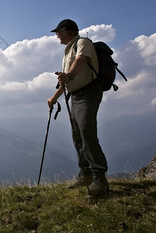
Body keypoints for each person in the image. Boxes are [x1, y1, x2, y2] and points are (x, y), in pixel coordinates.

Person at [47, 19, 109, 197]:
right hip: (76, 96)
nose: (57, 36)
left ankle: (99, 179)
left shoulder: (83, 43)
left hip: (89, 93)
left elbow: (81, 60)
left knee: (86, 131)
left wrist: (70, 75)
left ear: (66, 31)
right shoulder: (68, 52)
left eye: (58, 32)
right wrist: (54, 98)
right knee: (78, 134)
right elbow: (66, 81)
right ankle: (86, 173)